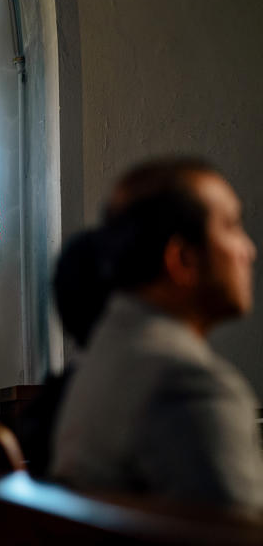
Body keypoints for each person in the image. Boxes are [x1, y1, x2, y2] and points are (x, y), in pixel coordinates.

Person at [50, 157, 263, 511]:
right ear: (182, 260)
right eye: (231, 226)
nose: (248, 250)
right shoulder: (189, 387)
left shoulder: (106, 355)